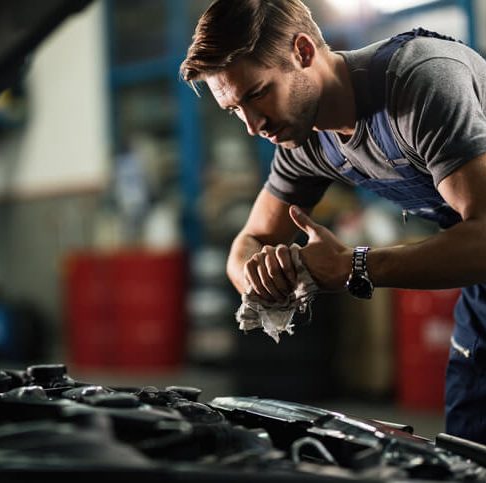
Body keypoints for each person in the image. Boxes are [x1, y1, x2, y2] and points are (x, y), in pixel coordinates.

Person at [180, 0, 486, 444]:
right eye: (234, 110)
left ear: (303, 51)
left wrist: (352, 266)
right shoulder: (302, 142)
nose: (252, 125)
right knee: (468, 448)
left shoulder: (420, 82)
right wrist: (263, 276)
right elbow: (249, 242)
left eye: (257, 93)